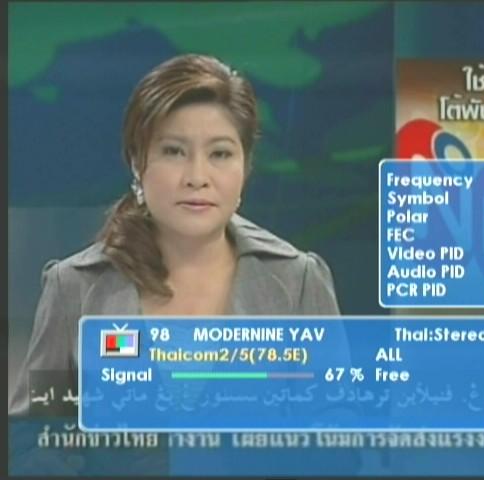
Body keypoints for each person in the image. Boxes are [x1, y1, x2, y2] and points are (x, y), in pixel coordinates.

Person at [9, 54, 341, 416]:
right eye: (173, 152)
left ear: (246, 167)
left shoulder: (296, 282)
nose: (197, 177)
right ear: (137, 163)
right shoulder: (74, 287)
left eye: (220, 153)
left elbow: (337, 432)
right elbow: (34, 437)